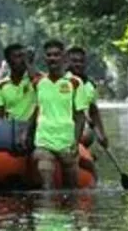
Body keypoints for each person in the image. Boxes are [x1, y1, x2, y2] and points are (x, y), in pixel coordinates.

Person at [30, 40, 88, 189]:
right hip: (44, 141)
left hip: (67, 141)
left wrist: (75, 142)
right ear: (45, 59)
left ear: (64, 58)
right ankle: (45, 212)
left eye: (56, 54)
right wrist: (26, 134)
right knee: (46, 186)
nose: (52, 58)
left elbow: (80, 116)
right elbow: (35, 110)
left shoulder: (75, 83)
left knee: (71, 190)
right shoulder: (39, 82)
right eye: (49, 55)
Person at [66, 46, 108, 148]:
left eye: (81, 61)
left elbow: (93, 110)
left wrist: (101, 134)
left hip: (82, 129)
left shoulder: (90, 85)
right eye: (74, 61)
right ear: (66, 62)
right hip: (62, 129)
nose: (78, 64)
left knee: (87, 136)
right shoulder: (61, 80)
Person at [0, 43, 40, 122]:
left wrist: (29, 65)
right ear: (8, 61)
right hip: (12, 131)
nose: (22, 60)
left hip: (35, 130)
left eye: (24, 56)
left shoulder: (34, 80)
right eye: (17, 56)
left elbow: (43, 88)